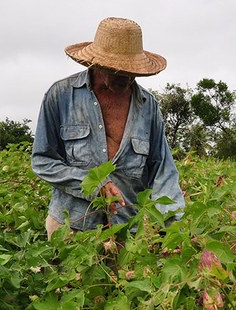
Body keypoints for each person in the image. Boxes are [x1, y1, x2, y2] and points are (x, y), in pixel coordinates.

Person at [32, 17, 185, 238]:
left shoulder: (147, 105)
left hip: (125, 229)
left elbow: (162, 168)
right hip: (71, 225)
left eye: (131, 70)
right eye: (117, 70)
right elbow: (42, 160)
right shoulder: (61, 95)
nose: (126, 78)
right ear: (97, 65)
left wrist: (173, 227)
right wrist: (92, 184)